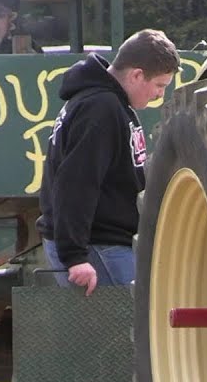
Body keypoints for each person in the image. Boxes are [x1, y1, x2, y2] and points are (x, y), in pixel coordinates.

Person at [37, 29, 181, 294]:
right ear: (137, 74)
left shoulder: (110, 103)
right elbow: (76, 183)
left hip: (106, 243)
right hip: (97, 246)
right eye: (159, 85)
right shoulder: (100, 109)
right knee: (128, 332)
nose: (160, 95)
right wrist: (75, 257)